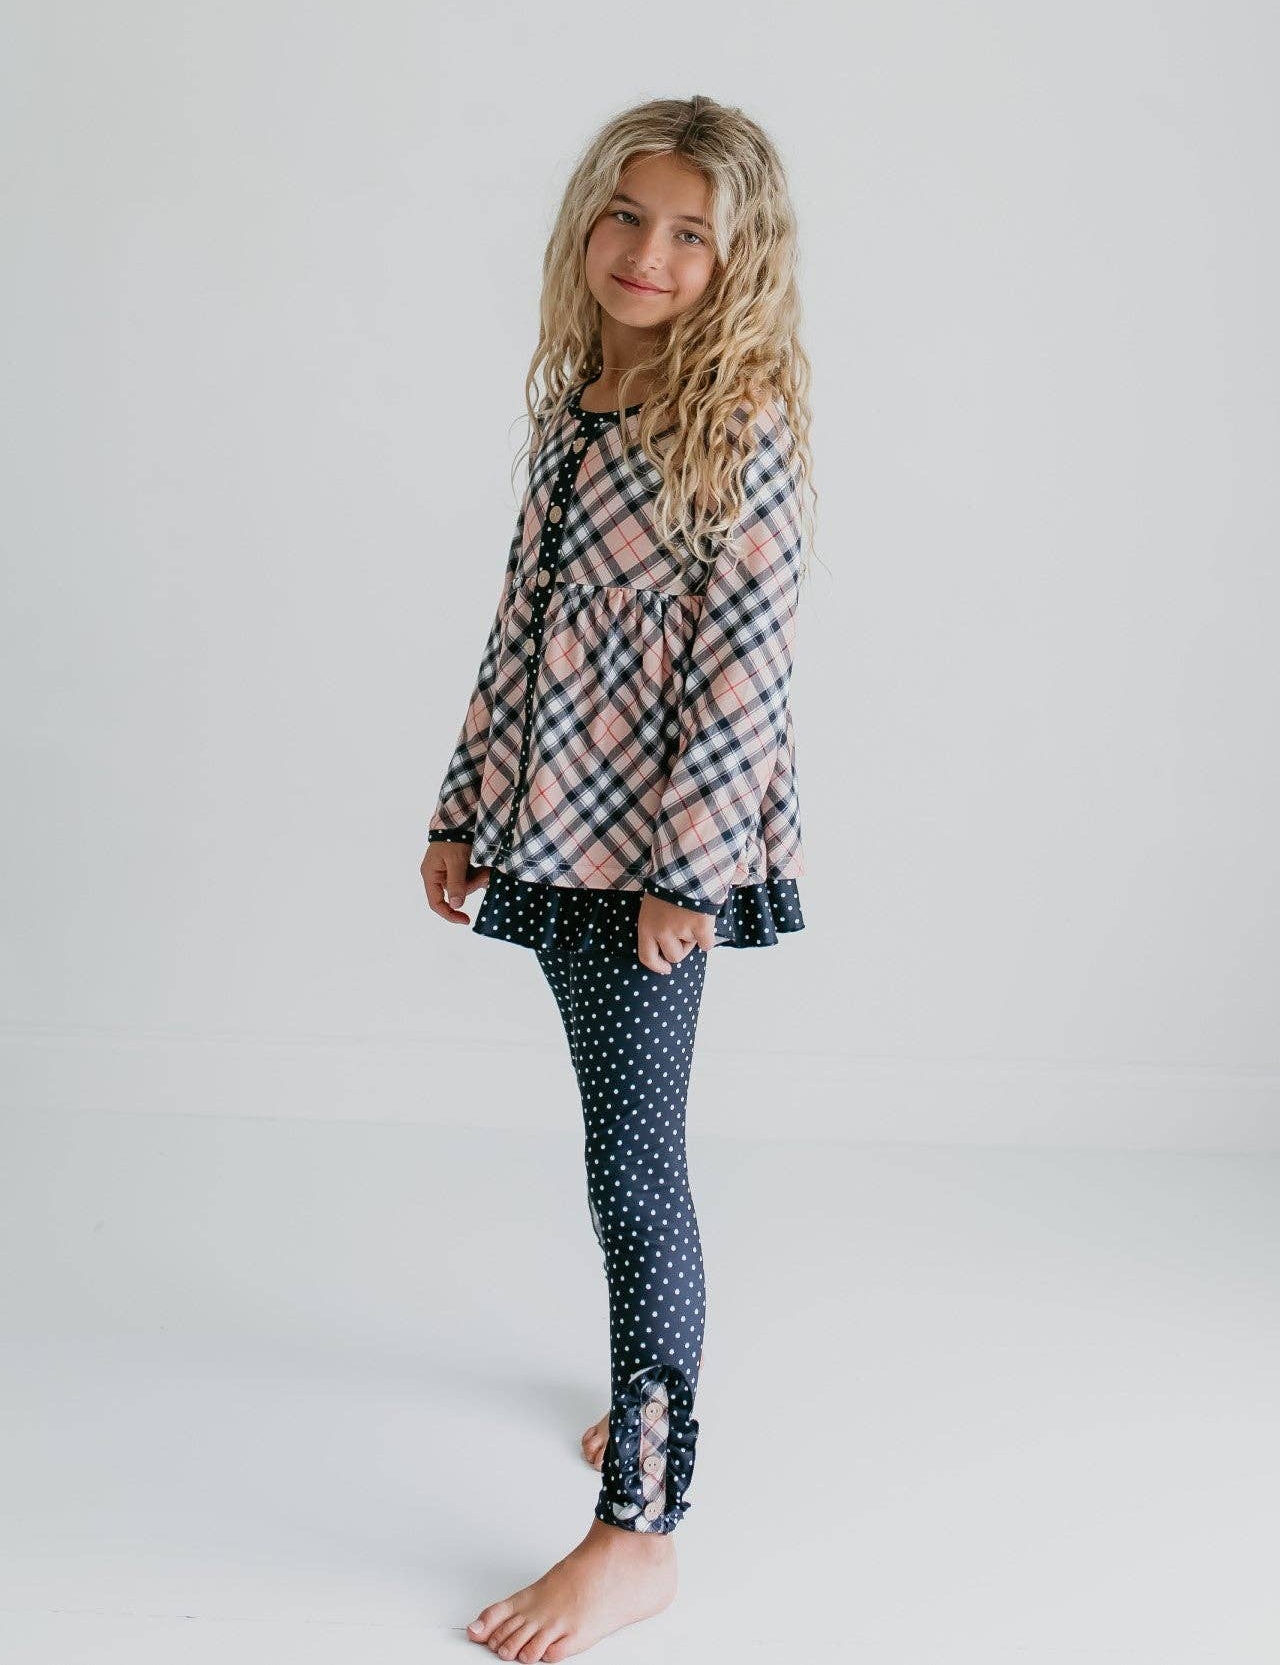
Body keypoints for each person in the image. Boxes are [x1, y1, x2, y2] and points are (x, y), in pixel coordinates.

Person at [420, 93, 818, 1663]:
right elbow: (523, 627)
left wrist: (687, 874)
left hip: (653, 864)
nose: (648, 252)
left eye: (690, 234)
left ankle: (642, 1525)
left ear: (740, 260)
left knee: (635, 1170)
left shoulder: (739, 425)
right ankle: (649, 1391)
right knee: (616, 1158)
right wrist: (465, 806)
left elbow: (744, 672)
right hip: (550, 831)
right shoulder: (583, 400)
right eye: (627, 215)